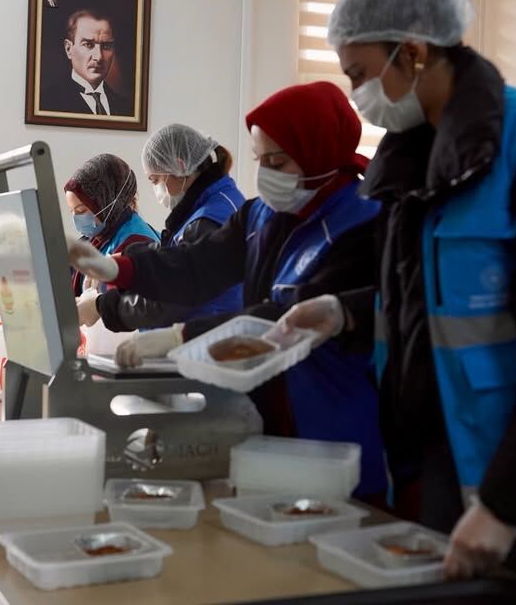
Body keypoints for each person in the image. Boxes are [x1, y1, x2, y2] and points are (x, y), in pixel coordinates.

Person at [273, 0, 516, 600]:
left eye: (360, 74)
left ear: (413, 52)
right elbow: (439, 303)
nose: (355, 93)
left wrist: (506, 504)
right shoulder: (414, 160)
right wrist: (345, 313)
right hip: (457, 468)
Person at [68, 82, 388, 499]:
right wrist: (118, 267)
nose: (265, 173)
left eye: (277, 160)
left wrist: (179, 336)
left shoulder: (364, 223)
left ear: (317, 150)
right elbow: (195, 266)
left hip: (332, 415)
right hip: (270, 407)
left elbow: (284, 316)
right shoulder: (262, 214)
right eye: (260, 159)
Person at [77, 124, 244, 330]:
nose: (155, 189)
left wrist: (101, 307)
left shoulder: (209, 220)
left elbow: (169, 299)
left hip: (203, 338)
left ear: (180, 166)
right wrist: (126, 262)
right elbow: (175, 256)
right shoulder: (215, 203)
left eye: (155, 180)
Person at [65, 153, 158, 297]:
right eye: (72, 211)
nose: (77, 218)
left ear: (107, 202)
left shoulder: (136, 243)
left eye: (81, 210)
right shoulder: (97, 237)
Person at [40, 9, 134, 117]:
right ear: (68, 49)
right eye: (88, 45)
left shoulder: (126, 107)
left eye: (106, 46)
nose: (98, 57)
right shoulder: (47, 101)